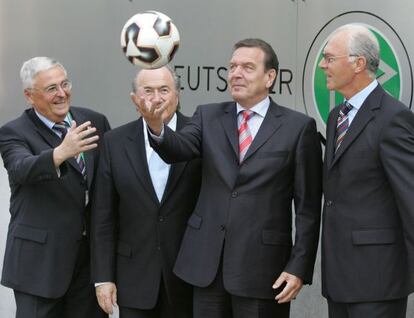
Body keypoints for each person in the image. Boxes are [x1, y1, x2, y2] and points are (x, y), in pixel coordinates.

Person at [137, 38, 322, 318]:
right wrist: (156, 127)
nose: (235, 73)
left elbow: (308, 208)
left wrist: (298, 267)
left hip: (263, 271)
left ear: (270, 77)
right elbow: (177, 149)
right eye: (232, 66)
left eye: (247, 67)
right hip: (206, 267)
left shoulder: (298, 128)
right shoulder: (208, 116)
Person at [0, 57, 110, 318]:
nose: (62, 93)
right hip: (39, 267)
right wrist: (60, 153)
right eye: (52, 89)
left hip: (87, 266)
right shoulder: (13, 132)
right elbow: (21, 168)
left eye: (65, 84)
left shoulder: (94, 121)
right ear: (29, 96)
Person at [90, 65, 201, 318]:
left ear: (178, 94)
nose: (157, 98)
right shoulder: (114, 142)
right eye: (148, 91)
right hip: (134, 278)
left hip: (188, 278)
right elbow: (103, 216)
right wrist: (103, 278)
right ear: (134, 99)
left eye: (164, 89)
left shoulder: (200, 135)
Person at [319, 24, 414, 318]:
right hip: (339, 278)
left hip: (378, 280)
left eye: (330, 58)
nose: (323, 65)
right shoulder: (337, 115)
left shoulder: (394, 118)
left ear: (359, 64)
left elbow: (410, 199)